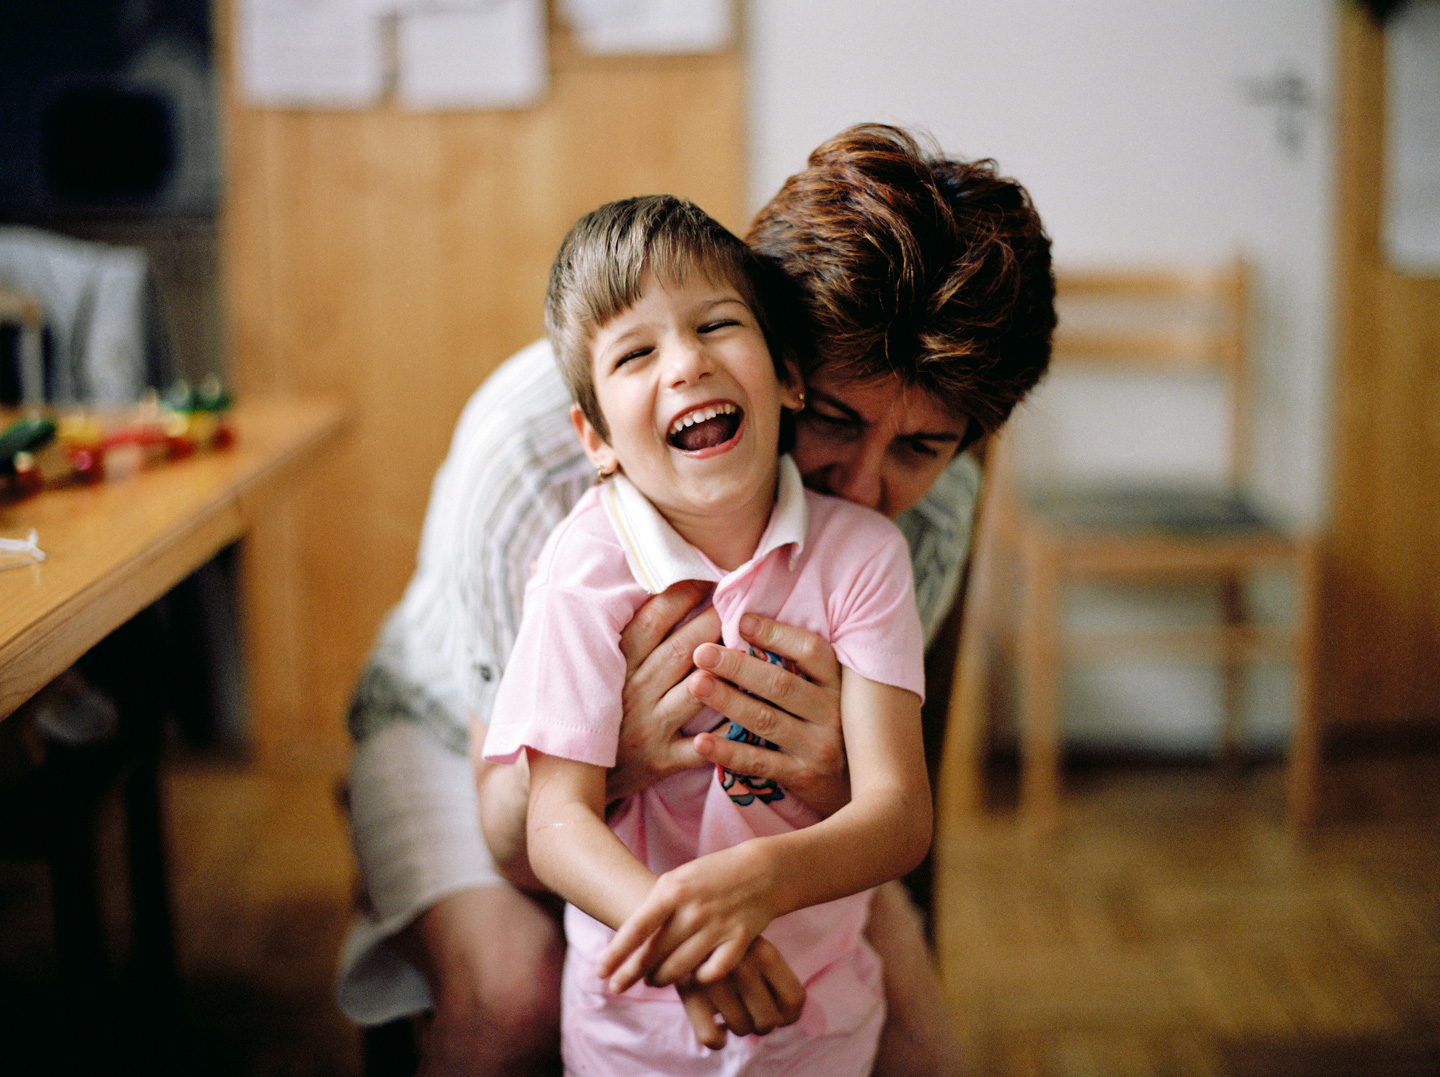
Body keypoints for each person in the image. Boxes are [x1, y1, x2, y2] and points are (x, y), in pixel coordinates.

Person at [337, 123, 1055, 1077]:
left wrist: (818, 798)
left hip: (745, 802)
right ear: (782, 359)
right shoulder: (534, 462)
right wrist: (619, 755)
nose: (867, 487)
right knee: (510, 996)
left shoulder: (916, 508)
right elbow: (520, 834)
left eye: (920, 449)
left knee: (916, 1039)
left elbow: (869, 788)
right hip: (454, 740)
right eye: (836, 421)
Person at [479, 193, 933, 1074]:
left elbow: (899, 813)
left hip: (822, 1018)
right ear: (596, 437)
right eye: (636, 352)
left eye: (716, 325)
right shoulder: (580, 567)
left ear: (789, 377)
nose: (685, 363)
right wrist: (687, 936)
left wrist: (757, 885)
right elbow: (556, 822)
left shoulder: (867, 555)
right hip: (633, 1035)